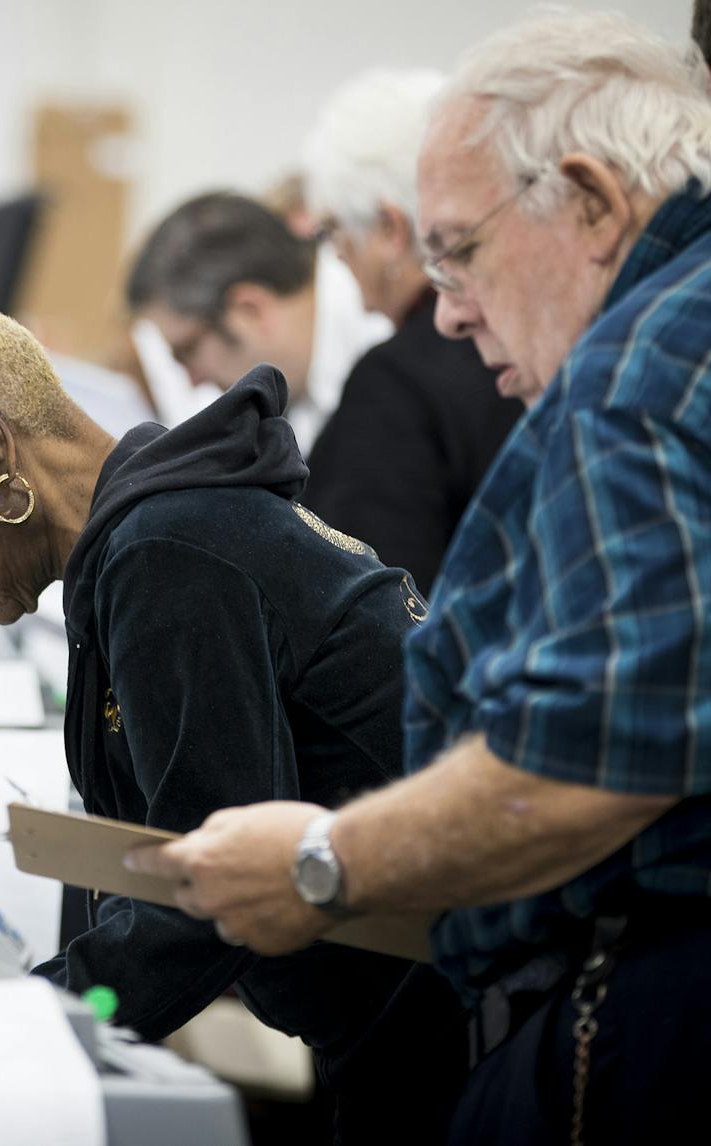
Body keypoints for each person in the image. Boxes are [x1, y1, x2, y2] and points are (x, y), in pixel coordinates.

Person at [125, 12, 711, 1144]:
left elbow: (582, 769)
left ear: (586, 203)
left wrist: (317, 861)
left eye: (459, 251)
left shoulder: (633, 386)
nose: (442, 307)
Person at [0, 301, 468, 1143]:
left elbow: (204, 901)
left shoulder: (170, 553)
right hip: (417, 1019)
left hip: (455, 1033)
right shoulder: (160, 530)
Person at [299, 68, 524, 595]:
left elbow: (365, 620)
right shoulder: (537, 344)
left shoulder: (398, 383)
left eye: (335, 232)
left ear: (389, 229)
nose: (335, 255)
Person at [127, 192, 390, 452]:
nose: (192, 380)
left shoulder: (389, 341)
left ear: (250, 309)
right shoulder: (304, 395)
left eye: (189, 349)